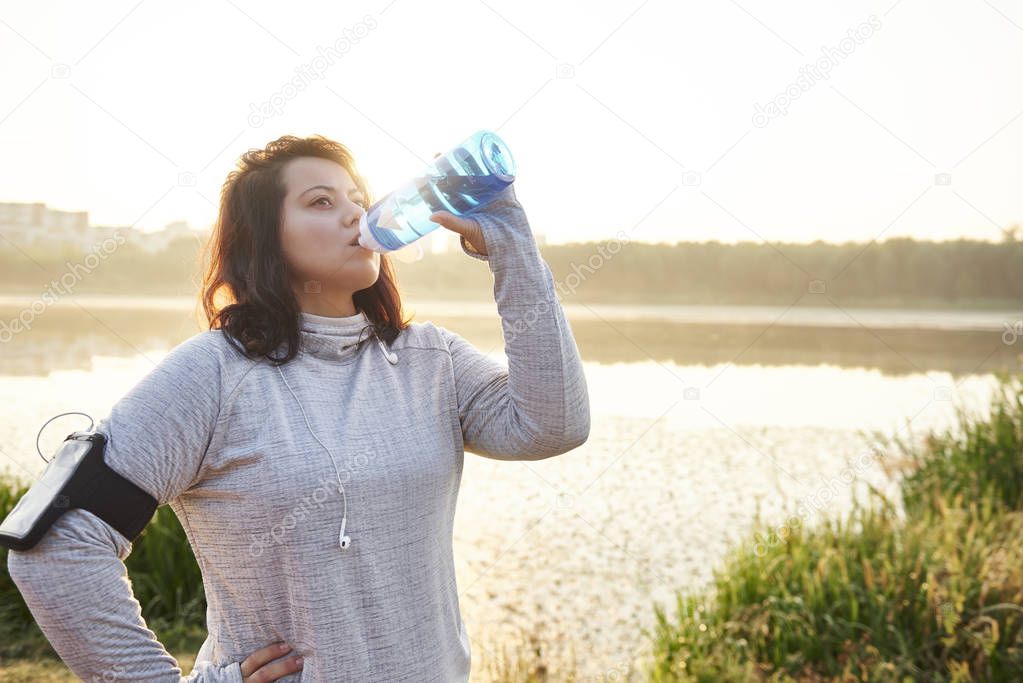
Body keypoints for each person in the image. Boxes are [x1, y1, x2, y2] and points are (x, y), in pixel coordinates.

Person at [7, 134, 590, 682]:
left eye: (359, 200)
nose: (355, 216)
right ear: (264, 238)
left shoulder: (428, 359)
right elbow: (57, 544)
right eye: (320, 201)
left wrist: (510, 242)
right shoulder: (213, 373)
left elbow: (552, 425)